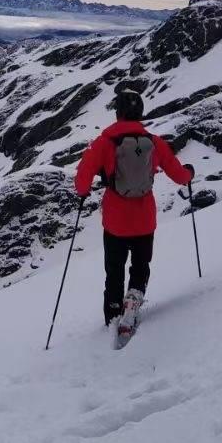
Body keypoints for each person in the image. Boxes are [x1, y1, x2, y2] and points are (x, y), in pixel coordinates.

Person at [74, 88, 194, 326]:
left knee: (114, 272)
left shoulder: (104, 143)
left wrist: (84, 191)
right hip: (144, 220)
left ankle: (113, 315)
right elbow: (179, 175)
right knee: (140, 266)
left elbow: (81, 181)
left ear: (118, 113)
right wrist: (189, 173)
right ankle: (134, 297)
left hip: (115, 222)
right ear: (140, 114)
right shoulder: (154, 142)